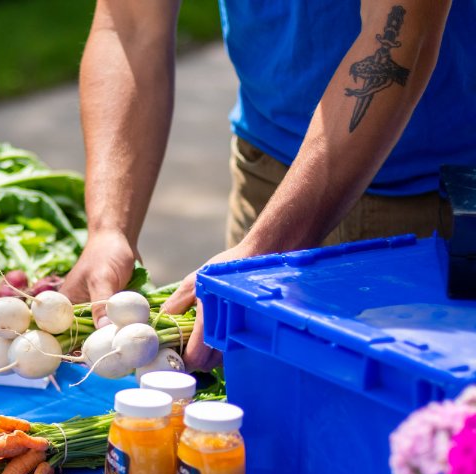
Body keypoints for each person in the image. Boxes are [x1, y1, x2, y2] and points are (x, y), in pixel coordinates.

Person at [60, 0, 476, 372]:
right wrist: (109, 227)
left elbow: (398, 39)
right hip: (267, 174)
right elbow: (130, 23)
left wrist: (267, 245)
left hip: (433, 214)